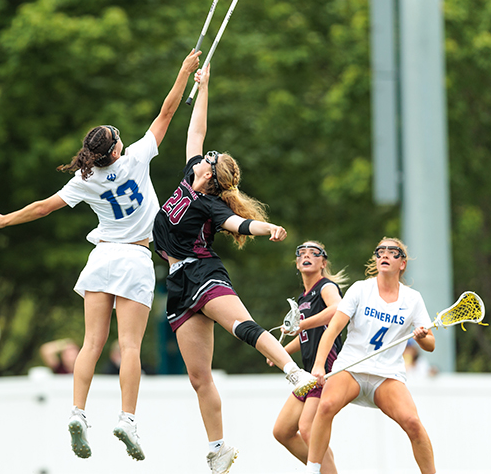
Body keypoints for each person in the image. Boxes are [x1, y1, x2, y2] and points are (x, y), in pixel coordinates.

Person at [0, 49, 202, 462]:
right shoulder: (135, 157)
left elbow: (43, 206)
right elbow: (167, 112)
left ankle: (78, 412)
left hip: (100, 259)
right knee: (130, 347)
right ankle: (127, 419)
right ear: (115, 149)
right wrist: (185, 73)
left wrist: (6, 219)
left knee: (90, 345)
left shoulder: (86, 179)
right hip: (134, 259)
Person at [152, 64, 318, 474]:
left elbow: (240, 225)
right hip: (177, 284)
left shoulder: (209, 202)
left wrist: (270, 229)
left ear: (210, 176)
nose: (203, 157)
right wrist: (203, 86)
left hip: (203, 273)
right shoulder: (189, 176)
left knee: (242, 327)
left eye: (208, 160)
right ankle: (219, 447)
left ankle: (294, 372)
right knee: (198, 377)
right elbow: (196, 130)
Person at [305, 237, 436, 474]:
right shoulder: (360, 289)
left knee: (414, 424)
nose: (384, 254)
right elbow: (333, 329)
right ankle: (312, 470)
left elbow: (430, 344)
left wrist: (421, 336)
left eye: (392, 252)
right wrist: (319, 366)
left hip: (387, 376)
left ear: (402, 263)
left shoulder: (413, 299)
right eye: (380, 251)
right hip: (350, 370)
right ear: (376, 260)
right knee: (326, 406)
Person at [269, 241, 348, 473]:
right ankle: (325, 469)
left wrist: (300, 324)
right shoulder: (303, 298)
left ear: (323, 263)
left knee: (307, 428)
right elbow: (304, 335)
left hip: (326, 367)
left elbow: (337, 308)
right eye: (301, 253)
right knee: (282, 431)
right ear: (297, 263)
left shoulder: (326, 287)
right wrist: (280, 353)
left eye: (314, 253)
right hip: (308, 372)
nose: (307, 256)